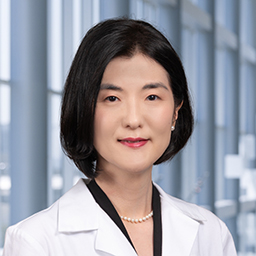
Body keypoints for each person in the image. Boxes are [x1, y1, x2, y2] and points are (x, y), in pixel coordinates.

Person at [3, 18, 237, 256]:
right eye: (112, 99)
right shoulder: (36, 242)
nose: (133, 120)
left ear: (176, 111)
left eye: (152, 97)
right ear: (84, 110)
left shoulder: (211, 234)